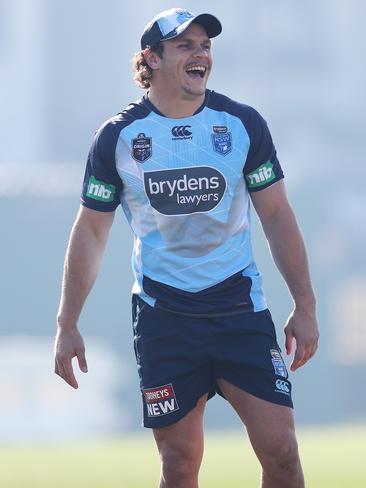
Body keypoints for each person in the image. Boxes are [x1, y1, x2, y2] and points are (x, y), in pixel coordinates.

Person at [54, 7, 319, 487]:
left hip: (239, 308)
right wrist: (67, 322)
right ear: (150, 59)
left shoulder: (241, 124)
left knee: (282, 453)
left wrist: (305, 303)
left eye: (205, 46)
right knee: (179, 463)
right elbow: (92, 230)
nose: (200, 55)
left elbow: (277, 214)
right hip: (164, 316)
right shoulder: (118, 137)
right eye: (185, 46)